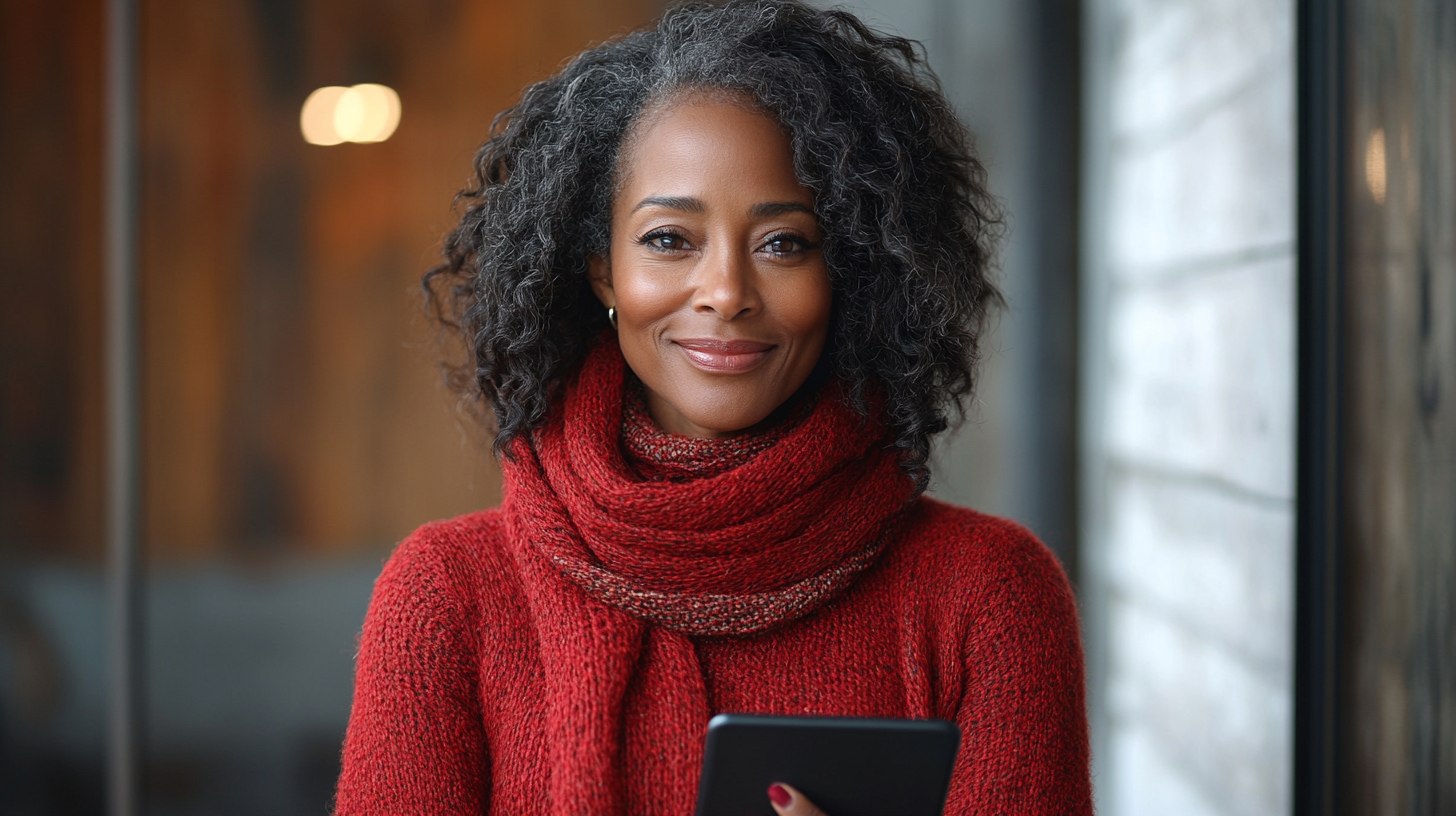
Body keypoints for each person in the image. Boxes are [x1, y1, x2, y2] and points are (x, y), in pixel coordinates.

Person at [333, 2, 1091, 814]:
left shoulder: (991, 597)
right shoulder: (448, 598)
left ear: (852, 270)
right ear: (602, 272)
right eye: (669, 240)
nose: (726, 293)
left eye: (783, 243)